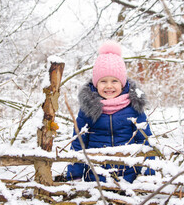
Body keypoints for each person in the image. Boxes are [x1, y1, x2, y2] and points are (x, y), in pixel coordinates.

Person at [66, 40, 154, 183]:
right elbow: (78, 143)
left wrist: (148, 173)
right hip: (96, 178)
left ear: (123, 83)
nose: (109, 86)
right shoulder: (88, 108)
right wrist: (74, 176)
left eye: (114, 81)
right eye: (103, 81)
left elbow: (144, 140)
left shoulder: (134, 107)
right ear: (95, 83)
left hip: (128, 178)